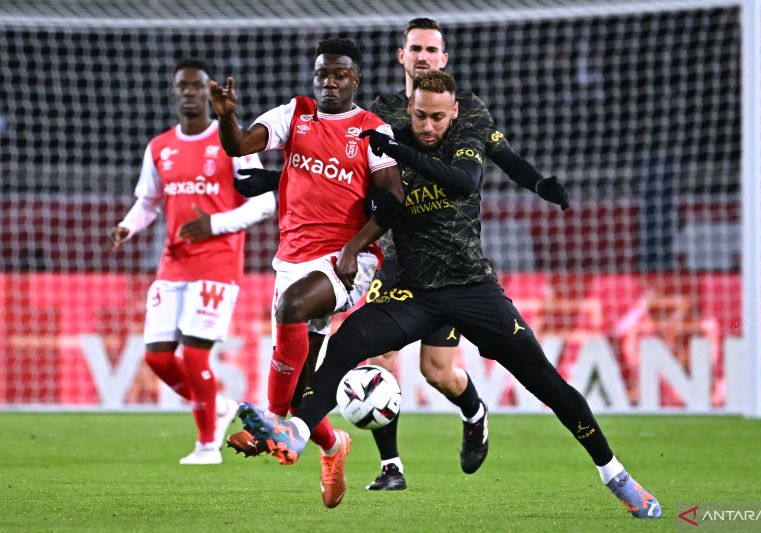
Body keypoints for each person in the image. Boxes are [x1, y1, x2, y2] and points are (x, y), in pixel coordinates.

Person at [236, 70, 662, 519]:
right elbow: (343, 184)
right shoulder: (386, 140)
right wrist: (270, 184)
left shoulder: (463, 137)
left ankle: (615, 474)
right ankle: (298, 431)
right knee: (346, 345)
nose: (427, 126)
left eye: (437, 117)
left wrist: (401, 151)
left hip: (471, 288)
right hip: (413, 291)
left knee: (545, 381)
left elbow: (463, 182)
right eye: (419, 115)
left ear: (453, 112)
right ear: (411, 107)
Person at [231, 18, 571, 492]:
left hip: (449, 261)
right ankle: (391, 466)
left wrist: (538, 183)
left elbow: (501, 158)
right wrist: (275, 181)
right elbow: (345, 176)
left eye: (432, 48)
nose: (424, 56)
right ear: (401, 55)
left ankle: (473, 411)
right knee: (376, 362)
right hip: (393, 254)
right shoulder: (384, 111)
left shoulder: (464, 108)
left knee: (439, 371)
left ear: (444, 58)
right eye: (416, 48)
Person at [210, 38, 403, 508]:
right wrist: (226, 115)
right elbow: (238, 145)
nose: (329, 82)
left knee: (289, 306)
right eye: (322, 75)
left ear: (355, 78)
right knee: (303, 396)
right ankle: (334, 446)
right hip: (292, 258)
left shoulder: (374, 130)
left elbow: (393, 202)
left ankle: (271, 425)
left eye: (339, 75)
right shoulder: (294, 115)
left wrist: (356, 248)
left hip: (345, 259)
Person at [110, 58, 276, 465]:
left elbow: (265, 203)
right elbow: (147, 203)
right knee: (158, 357)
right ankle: (217, 405)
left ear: (208, 92)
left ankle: (207, 446)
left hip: (217, 265)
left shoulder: (231, 142)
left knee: (195, 356)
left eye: (196, 85)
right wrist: (128, 227)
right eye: (182, 86)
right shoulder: (160, 147)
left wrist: (213, 224)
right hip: (173, 264)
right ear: (174, 93)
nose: (189, 92)